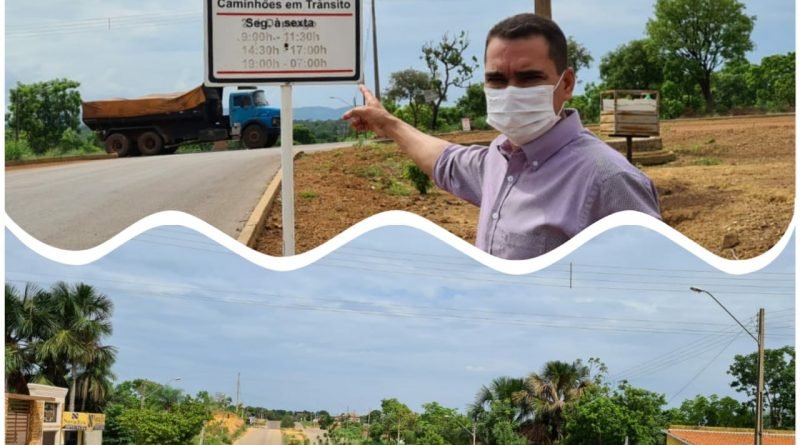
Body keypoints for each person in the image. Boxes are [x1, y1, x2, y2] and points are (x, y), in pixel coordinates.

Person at [344, 13, 661, 260]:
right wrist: (389, 125)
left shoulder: (609, 180)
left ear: (566, 84)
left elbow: (655, 283)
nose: (510, 92)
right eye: (496, 79)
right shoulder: (501, 156)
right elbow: (448, 162)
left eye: (528, 78)